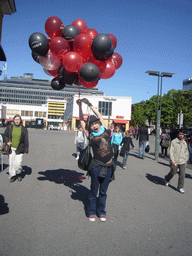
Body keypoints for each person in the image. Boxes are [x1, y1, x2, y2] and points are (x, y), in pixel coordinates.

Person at [76, 98, 115, 222]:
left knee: (103, 191)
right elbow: (82, 122)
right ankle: (92, 211)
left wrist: (89, 104)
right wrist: (80, 107)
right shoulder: (91, 135)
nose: (94, 125)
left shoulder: (106, 130)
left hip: (109, 167)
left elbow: (99, 115)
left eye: (96, 123)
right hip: (96, 167)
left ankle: (101, 212)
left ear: (98, 123)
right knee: (94, 190)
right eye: (92, 125)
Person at [4, 114, 29, 182]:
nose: (17, 121)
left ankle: (18, 173)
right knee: (11, 163)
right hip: (11, 148)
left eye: (18, 119)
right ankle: (12, 175)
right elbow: (5, 135)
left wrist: (26, 150)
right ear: (13, 120)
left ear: (20, 120)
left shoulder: (24, 129)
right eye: (15, 119)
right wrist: (7, 141)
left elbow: (26, 139)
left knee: (18, 164)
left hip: (20, 149)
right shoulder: (10, 127)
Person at [164, 129, 189, 194]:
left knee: (182, 174)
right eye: (180, 134)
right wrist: (173, 161)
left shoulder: (184, 142)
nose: (181, 135)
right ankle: (167, 178)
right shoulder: (174, 142)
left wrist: (186, 161)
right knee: (173, 172)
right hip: (175, 161)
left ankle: (180, 187)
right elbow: (171, 152)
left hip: (182, 161)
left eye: (182, 134)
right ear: (177, 135)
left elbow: (186, 152)